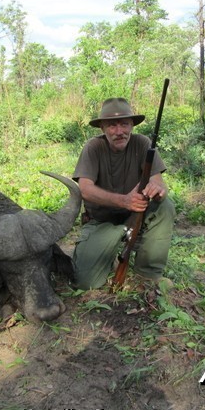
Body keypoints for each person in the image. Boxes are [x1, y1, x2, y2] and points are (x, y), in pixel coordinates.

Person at [71, 97, 176, 290]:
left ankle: (147, 274)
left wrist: (158, 191)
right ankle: (108, 255)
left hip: (134, 218)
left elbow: (159, 183)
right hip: (101, 221)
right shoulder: (93, 147)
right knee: (85, 281)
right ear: (102, 128)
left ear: (132, 126)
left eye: (124, 124)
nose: (119, 132)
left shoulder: (143, 144)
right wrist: (125, 201)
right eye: (112, 126)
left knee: (165, 206)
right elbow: (84, 189)